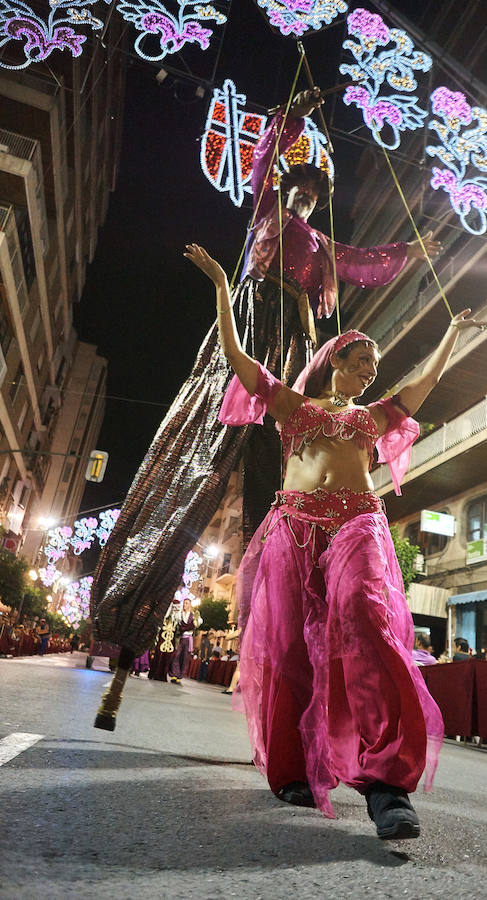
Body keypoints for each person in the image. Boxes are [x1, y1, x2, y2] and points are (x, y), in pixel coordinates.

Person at [90, 87, 441, 679]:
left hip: (294, 346)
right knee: (201, 461)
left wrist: (410, 247)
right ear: (288, 190)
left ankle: (280, 631)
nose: (306, 198)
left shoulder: (323, 244)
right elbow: (262, 159)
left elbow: (363, 259)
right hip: (254, 322)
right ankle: (133, 616)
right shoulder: (266, 213)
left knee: (274, 480)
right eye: (300, 189)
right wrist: (292, 116)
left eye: (316, 194)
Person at [184, 241, 485, 840]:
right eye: (361, 359)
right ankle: (292, 769)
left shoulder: (370, 417)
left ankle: (386, 784)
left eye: (374, 364)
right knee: (291, 648)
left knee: (366, 625)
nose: (370, 369)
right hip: (293, 526)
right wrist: (223, 286)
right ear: (333, 360)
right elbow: (236, 357)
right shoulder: (293, 406)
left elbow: (421, 385)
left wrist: (451, 332)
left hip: (357, 526)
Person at [169, 596, 195, 685]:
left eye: (186, 603)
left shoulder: (193, 615)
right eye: (184, 603)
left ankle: (179, 676)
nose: (184, 604)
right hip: (179, 638)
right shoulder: (179, 614)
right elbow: (175, 622)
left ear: (190, 605)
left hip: (188, 639)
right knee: (176, 655)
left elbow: (197, 624)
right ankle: (174, 674)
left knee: (185, 658)